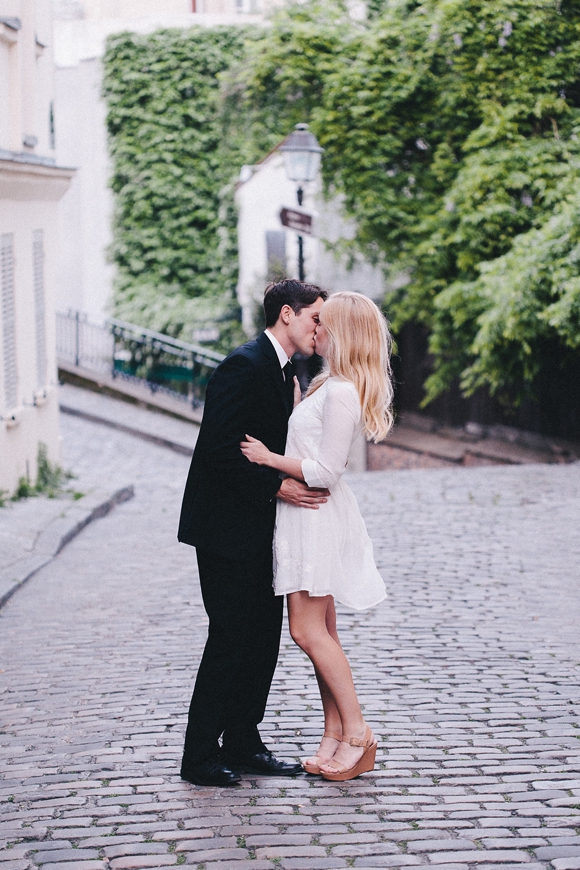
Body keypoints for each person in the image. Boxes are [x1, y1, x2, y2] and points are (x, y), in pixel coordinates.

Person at [178, 279, 329, 787]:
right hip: (224, 526)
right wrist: (278, 488)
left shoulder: (288, 370)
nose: (319, 329)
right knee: (229, 636)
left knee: (262, 639)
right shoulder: (243, 365)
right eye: (314, 318)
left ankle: (242, 741)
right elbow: (219, 450)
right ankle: (199, 755)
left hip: (260, 527)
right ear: (287, 314)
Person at [240, 291, 394, 782]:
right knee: (321, 632)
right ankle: (334, 734)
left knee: (306, 631)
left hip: (316, 515)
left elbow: (326, 470)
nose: (316, 328)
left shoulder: (343, 390)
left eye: (325, 322)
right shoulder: (329, 383)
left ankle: (358, 734)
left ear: (342, 332)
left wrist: (268, 460)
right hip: (306, 518)